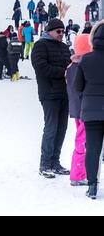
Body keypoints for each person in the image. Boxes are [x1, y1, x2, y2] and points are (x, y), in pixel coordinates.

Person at [31, 18, 72, 178]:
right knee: (51, 128)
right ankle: (45, 164)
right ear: (50, 31)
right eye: (58, 31)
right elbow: (40, 67)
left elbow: (68, 65)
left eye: (63, 31)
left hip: (64, 93)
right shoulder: (40, 45)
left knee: (62, 128)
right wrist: (62, 72)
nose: (61, 34)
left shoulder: (63, 47)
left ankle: (55, 162)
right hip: (49, 94)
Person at [74, 22, 104, 199]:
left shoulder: (86, 59)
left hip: (91, 112)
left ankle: (92, 187)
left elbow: (78, 86)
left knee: (92, 148)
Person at [66, 34, 92, 187]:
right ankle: (77, 174)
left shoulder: (71, 66)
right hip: (84, 108)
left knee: (82, 138)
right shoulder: (82, 67)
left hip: (77, 107)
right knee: (82, 140)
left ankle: (80, 171)